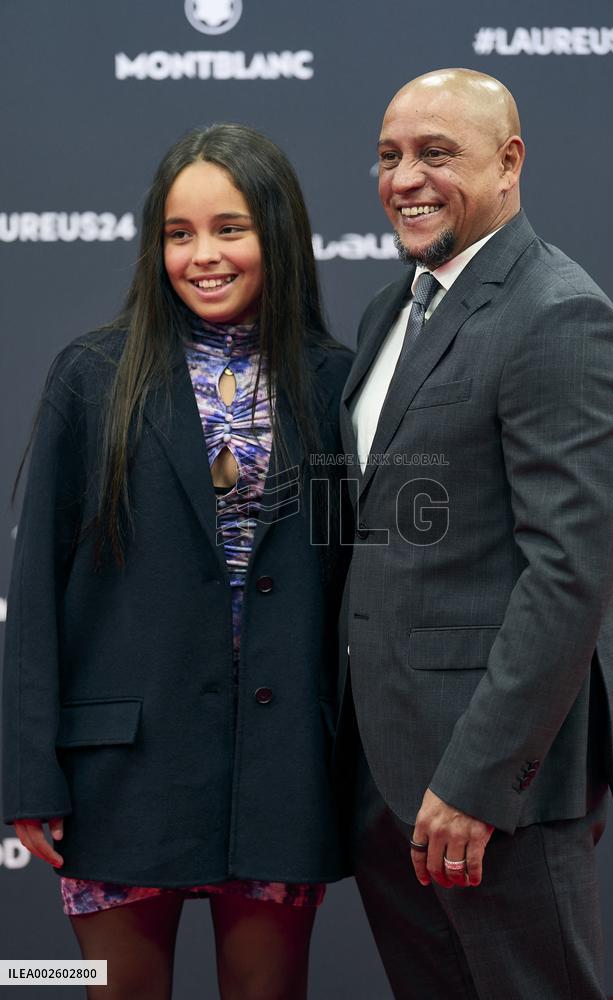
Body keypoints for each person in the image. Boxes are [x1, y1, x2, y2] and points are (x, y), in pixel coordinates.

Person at [2, 123, 352, 1000]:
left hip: (278, 776)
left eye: (230, 229)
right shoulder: (91, 376)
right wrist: (28, 771)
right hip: (120, 775)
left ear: (278, 234)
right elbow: (35, 592)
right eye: (178, 232)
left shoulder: (336, 383)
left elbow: (353, 585)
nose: (204, 255)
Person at [339, 68, 613, 999]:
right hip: (383, 776)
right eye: (390, 156)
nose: (405, 179)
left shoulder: (559, 313)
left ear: (509, 164)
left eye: (437, 154)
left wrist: (479, 780)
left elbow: (566, 578)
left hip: (490, 788)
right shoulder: (393, 307)